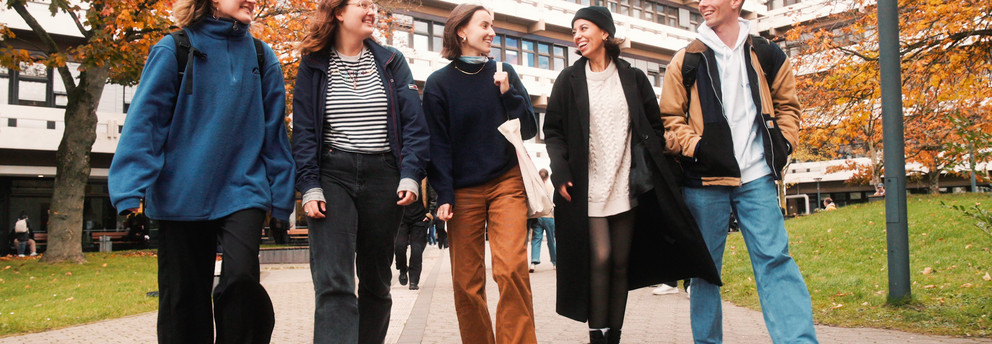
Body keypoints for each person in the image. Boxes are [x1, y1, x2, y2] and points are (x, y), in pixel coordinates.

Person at [108, 0, 295, 342]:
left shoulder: (261, 56)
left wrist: (281, 198)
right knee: (183, 298)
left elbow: (274, 132)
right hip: (181, 191)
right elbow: (145, 123)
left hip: (244, 188)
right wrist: (129, 190)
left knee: (241, 280)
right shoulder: (174, 49)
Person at [543, 7, 721, 344]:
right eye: (574, 31)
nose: (577, 36)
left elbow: (653, 126)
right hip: (588, 185)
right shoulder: (569, 80)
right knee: (601, 257)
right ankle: (597, 335)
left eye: (584, 28)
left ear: (605, 33)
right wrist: (560, 171)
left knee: (621, 263)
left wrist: (658, 165)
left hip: (627, 183)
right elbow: (553, 131)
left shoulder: (633, 77)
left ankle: (615, 336)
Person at [657, 0, 818, 342]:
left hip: (757, 178)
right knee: (704, 273)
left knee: (776, 262)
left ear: (735, 2)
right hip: (703, 182)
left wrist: (784, 144)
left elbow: (789, 107)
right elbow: (669, 122)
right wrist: (698, 147)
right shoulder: (686, 60)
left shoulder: (767, 54)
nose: (702, 3)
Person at [292, 0, 430, 342]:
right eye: (363, 4)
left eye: (374, 5)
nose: (372, 11)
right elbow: (305, 130)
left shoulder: (391, 61)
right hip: (332, 175)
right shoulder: (313, 64)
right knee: (334, 281)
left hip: (383, 175)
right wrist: (309, 185)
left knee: (376, 282)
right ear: (339, 12)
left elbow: (415, 123)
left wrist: (410, 174)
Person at [422, 4, 539, 343]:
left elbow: (529, 128)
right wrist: (442, 194)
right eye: (485, 25)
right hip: (463, 190)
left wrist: (509, 94)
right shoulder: (438, 84)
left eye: (493, 25)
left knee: (512, 269)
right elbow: (437, 145)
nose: (492, 32)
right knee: (466, 282)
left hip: (507, 182)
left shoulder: (504, 72)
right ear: (462, 31)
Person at [395, 179, 436, 290]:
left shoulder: (425, 178)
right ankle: (403, 269)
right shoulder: (399, 175)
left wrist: (430, 214)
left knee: (417, 250)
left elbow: (433, 197)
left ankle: (414, 280)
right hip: (401, 219)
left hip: (420, 219)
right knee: (399, 246)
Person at [529, 168, 557, 272]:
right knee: (551, 241)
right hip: (549, 217)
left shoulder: (535, 187)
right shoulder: (551, 188)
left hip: (537, 217)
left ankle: (533, 262)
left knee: (536, 239)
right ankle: (555, 263)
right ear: (548, 177)